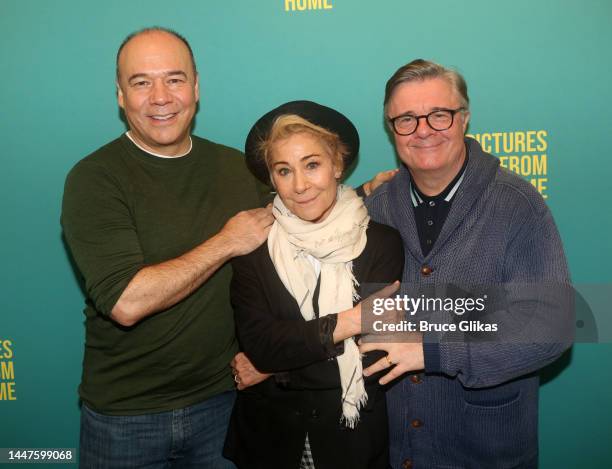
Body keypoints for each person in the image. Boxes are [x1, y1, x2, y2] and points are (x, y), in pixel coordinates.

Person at [61, 27, 273, 468]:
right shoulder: (94, 179)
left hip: (224, 403)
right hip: (125, 419)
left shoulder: (238, 167)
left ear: (196, 87)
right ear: (121, 96)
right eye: (141, 82)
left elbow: (303, 214)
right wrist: (226, 242)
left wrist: (370, 191)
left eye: (174, 79)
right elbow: (126, 301)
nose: (160, 97)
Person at [358, 59, 573, 469]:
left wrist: (435, 349)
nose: (422, 130)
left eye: (438, 115)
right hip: (398, 449)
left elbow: (554, 324)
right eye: (406, 119)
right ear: (391, 129)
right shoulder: (376, 207)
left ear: (464, 118)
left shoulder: (517, 204)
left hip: (485, 451)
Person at [222, 101, 404, 469]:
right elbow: (261, 345)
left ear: (337, 165)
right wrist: (349, 322)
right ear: (271, 179)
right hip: (268, 444)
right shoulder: (253, 245)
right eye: (284, 171)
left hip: (351, 445)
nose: (300, 185)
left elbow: (374, 356)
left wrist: (277, 371)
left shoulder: (381, 242)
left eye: (312, 165)